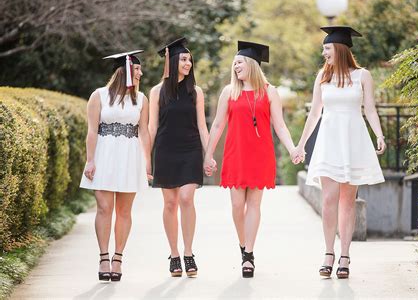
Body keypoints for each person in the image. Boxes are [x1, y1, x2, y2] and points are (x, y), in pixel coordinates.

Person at [294, 26, 386, 279]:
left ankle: (345, 255)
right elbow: (314, 114)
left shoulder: (363, 76)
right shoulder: (322, 76)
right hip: (329, 142)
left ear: (340, 49)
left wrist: (378, 134)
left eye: (327, 48)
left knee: (348, 202)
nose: (324, 53)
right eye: (323, 49)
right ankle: (328, 252)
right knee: (328, 201)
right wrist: (301, 145)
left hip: (353, 141)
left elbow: (370, 109)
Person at [204, 41, 297, 278]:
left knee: (254, 204)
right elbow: (217, 125)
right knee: (237, 205)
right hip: (236, 154)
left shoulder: (270, 91)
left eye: (239, 62)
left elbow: (280, 125)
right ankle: (243, 244)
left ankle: (248, 255)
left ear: (252, 64)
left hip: (260, 154)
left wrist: (292, 149)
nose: (235, 67)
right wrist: (208, 154)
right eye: (233, 63)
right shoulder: (229, 92)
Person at [80, 50, 152, 282]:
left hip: (130, 156)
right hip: (104, 154)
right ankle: (103, 257)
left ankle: (118, 258)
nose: (141, 72)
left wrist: (147, 162)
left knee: (124, 210)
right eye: (138, 69)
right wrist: (90, 160)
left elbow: (144, 131)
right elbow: (91, 131)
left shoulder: (141, 99)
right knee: (103, 207)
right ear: (126, 71)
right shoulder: (98, 96)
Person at [148, 37, 209, 277]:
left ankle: (188, 252)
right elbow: (152, 127)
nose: (188, 63)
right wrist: (146, 158)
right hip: (165, 150)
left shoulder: (196, 91)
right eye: (183, 59)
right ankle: (174, 255)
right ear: (172, 61)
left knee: (186, 198)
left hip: (190, 150)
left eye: (189, 60)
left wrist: (209, 155)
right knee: (170, 203)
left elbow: (203, 126)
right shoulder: (156, 91)